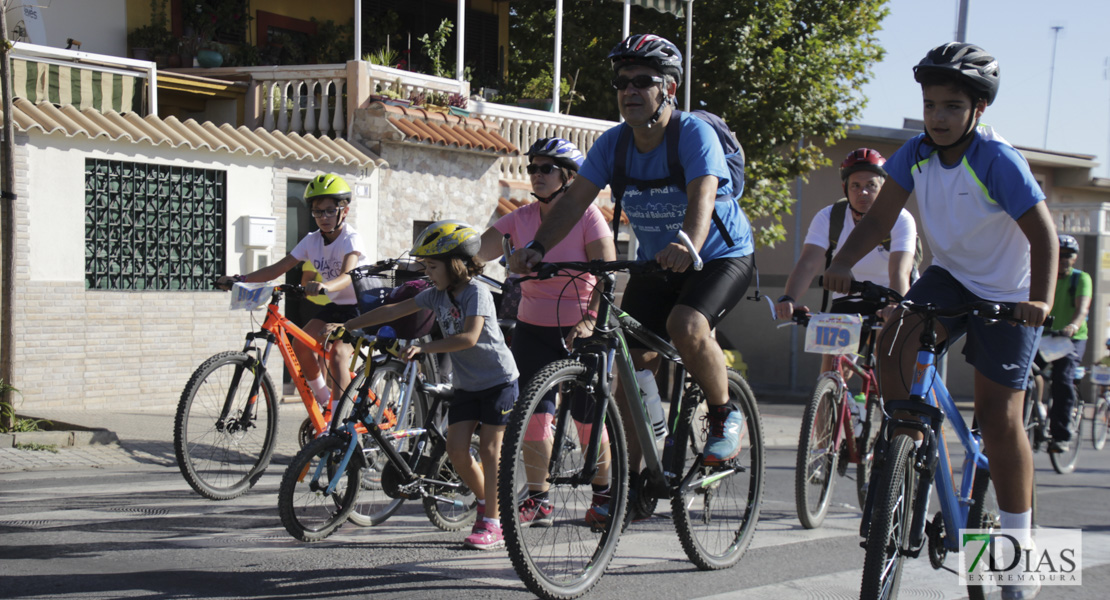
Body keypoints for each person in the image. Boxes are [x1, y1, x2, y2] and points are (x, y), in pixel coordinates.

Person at [823, 42, 1055, 600]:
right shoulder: (915, 153)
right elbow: (880, 215)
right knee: (895, 332)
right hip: (951, 275)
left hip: (1011, 291)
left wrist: (1041, 302)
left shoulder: (998, 161)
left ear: (978, 110)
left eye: (951, 106)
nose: (938, 117)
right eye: (930, 105)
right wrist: (842, 262)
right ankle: (907, 440)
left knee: (1000, 419)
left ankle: (1018, 561)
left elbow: (1044, 236)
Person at [509, 33, 757, 478]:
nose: (630, 91)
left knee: (687, 324)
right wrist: (537, 248)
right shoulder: (613, 144)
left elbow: (703, 196)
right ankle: (633, 484)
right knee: (629, 363)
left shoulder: (692, 133)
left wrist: (688, 244)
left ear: (669, 89)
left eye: (643, 81)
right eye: (622, 82)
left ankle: (723, 414)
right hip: (659, 261)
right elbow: (572, 202)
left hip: (720, 255)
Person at [336, 220, 518, 550]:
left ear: (456, 264)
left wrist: (424, 347)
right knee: (457, 451)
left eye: (432, 266)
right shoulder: (435, 295)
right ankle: (488, 504)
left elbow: (469, 337)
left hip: (498, 382)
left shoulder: (475, 293)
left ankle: (493, 521)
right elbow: (393, 309)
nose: (428, 272)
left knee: (491, 450)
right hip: (467, 385)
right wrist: (347, 324)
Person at [477, 137, 618, 527]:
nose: (536, 175)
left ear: (570, 177)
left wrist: (590, 320)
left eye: (546, 169)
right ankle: (538, 500)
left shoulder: (588, 216)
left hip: (580, 329)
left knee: (589, 419)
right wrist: (449, 258)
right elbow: (479, 249)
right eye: (532, 168)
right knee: (534, 419)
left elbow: (607, 275)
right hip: (532, 327)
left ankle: (604, 496)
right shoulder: (520, 218)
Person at [217, 173, 370, 411]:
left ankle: (338, 420)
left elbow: (347, 275)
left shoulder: (351, 238)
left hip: (361, 308)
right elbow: (278, 268)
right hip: (337, 307)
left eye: (330, 210)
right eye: (318, 211)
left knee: (339, 354)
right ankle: (324, 400)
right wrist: (241, 279)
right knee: (302, 343)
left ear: (344, 211)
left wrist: (325, 286)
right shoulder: (311, 241)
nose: (324, 217)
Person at [774, 148, 917, 377]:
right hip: (848, 296)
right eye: (855, 186)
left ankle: (889, 405)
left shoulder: (901, 218)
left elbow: (900, 270)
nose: (863, 192)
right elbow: (808, 263)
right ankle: (833, 403)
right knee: (832, 368)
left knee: (889, 364)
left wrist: (895, 304)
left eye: (871, 185)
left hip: (891, 295)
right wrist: (789, 298)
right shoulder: (829, 217)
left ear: (884, 189)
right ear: (845, 189)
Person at [1038, 234, 1091, 453]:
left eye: (1069, 255)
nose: (1064, 259)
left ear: (1075, 258)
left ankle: (1061, 436)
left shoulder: (1081, 279)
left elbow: (1082, 310)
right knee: (1024, 375)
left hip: (1071, 338)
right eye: (1060, 255)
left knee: (1062, 379)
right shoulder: (1044, 277)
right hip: (1044, 336)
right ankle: (1032, 416)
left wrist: (1074, 326)